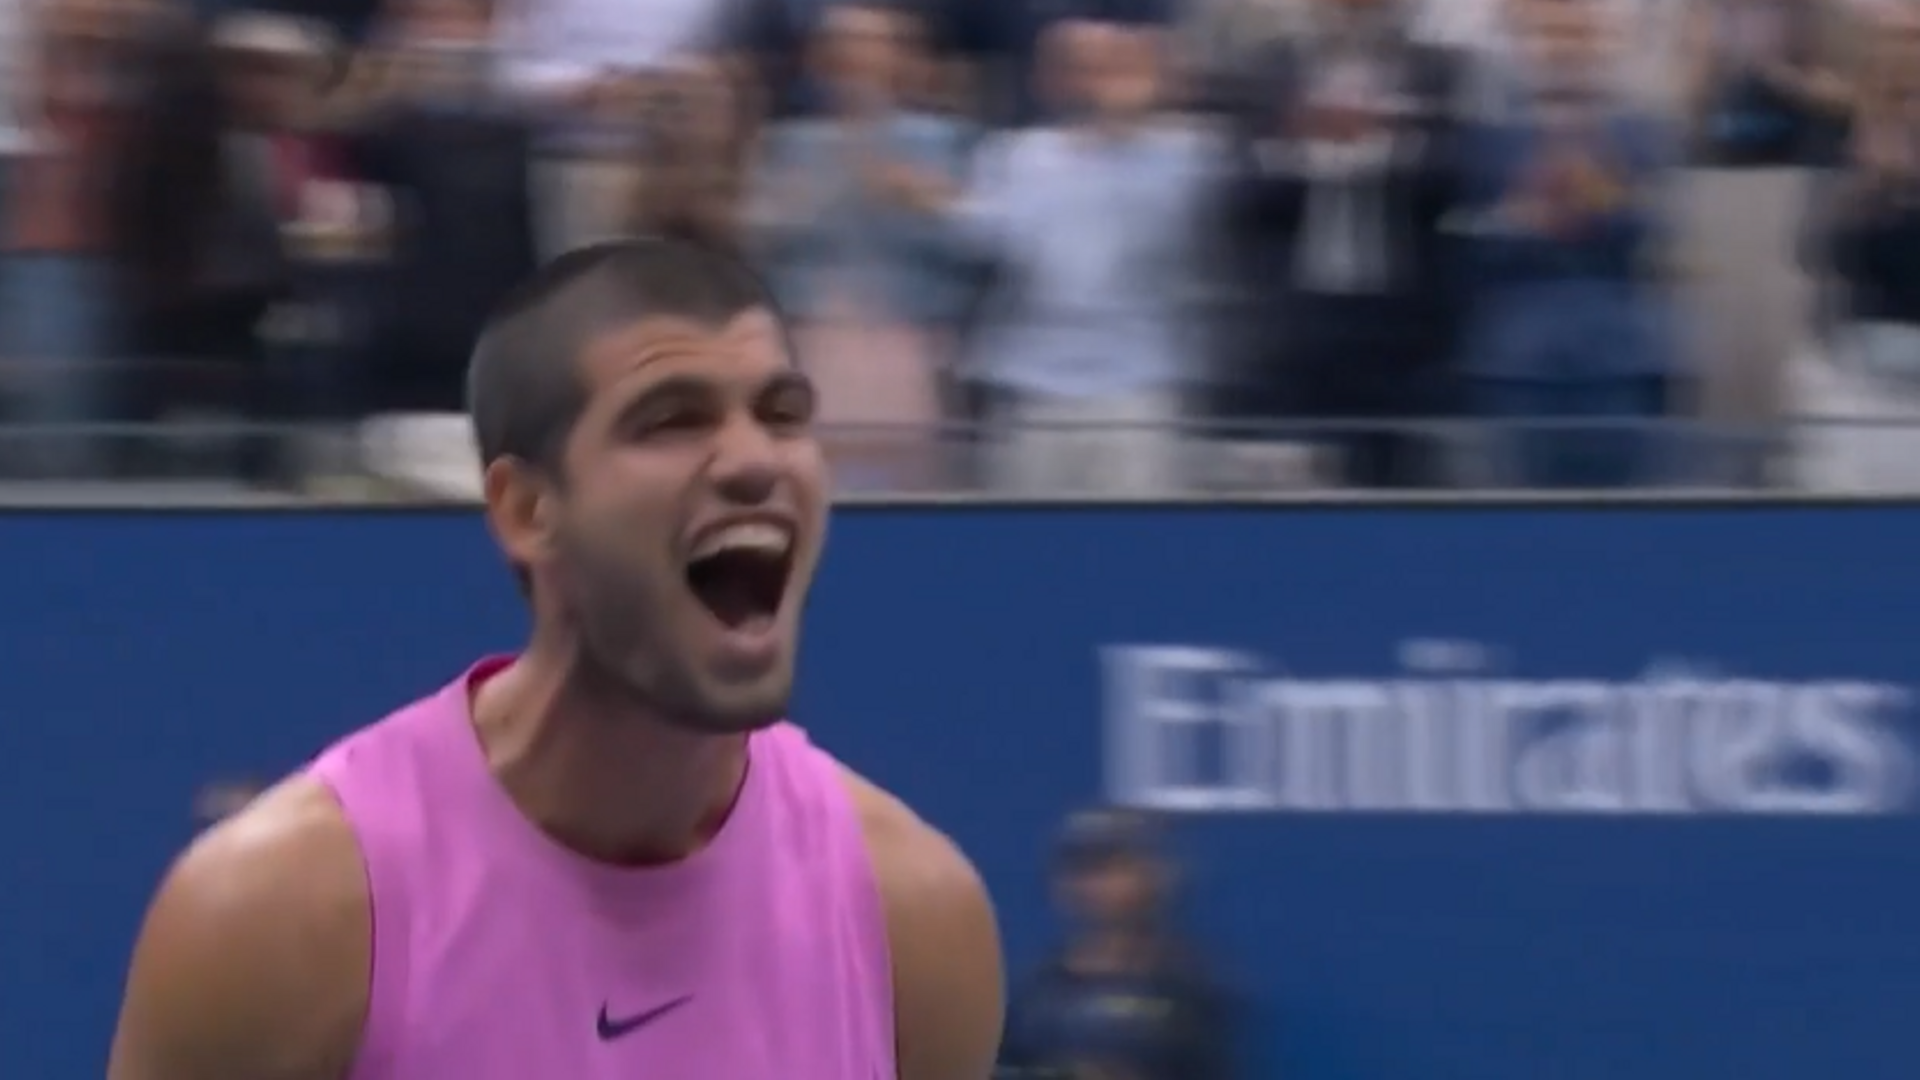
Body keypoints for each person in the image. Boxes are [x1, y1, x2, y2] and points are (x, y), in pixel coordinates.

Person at [106, 237, 1005, 1080]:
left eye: (782, 414)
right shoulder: (278, 916)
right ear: (527, 511)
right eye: (671, 420)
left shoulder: (914, 918)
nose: (752, 461)